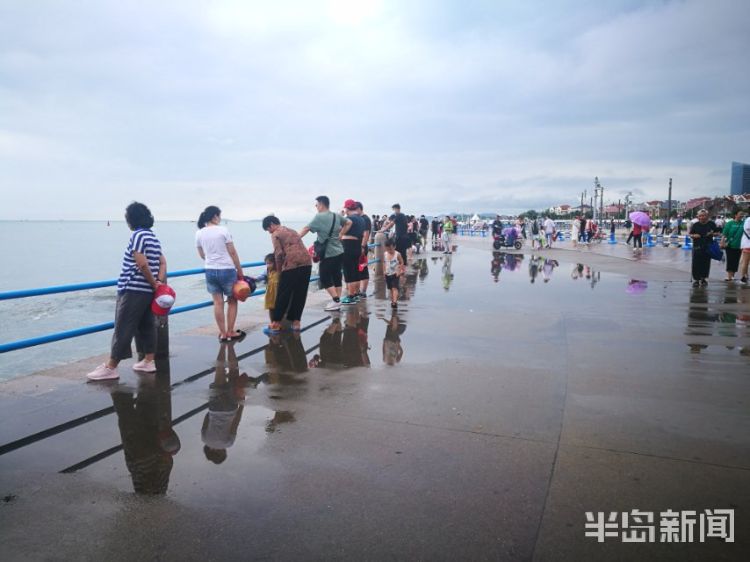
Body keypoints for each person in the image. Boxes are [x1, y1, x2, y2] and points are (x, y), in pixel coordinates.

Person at [87, 202, 166, 381]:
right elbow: (162, 262)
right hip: (147, 292)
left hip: (133, 289)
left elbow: (141, 262)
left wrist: (154, 283)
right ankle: (148, 361)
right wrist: (158, 283)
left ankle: (111, 367)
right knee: (147, 325)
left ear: (131, 219)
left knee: (123, 326)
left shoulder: (138, 235)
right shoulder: (153, 237)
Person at [194, 206, 245, 342]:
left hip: (210, 270)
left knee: (218, 303)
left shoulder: (199, 233)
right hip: (227, 269)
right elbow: (232, 252)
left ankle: (222, 333)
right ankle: (230, 331)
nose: (220, 218)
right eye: (219, 216)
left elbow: (201, 254)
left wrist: (212, 261)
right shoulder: (223, 231)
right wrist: (240, 271)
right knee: (232, 301)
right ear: (215, 216)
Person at [299, 196, 350, 311]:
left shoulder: (319, 216)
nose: (316, 207)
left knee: (324, 277)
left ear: (321, 204)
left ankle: (336, 300)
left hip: (328, 253)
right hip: (339, 251)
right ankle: (337, 302)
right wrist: (341, 234)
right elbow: (349, 222)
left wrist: (294, 239)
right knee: (337, 276)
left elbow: (306, 228)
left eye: (316, 205)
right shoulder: (336, 215)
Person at [263, 215, 313, 332]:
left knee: (283, 294)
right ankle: (296, 323)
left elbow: (278, 254)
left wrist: (279, 272)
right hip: (306, 263)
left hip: (291, 265)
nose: (269, 232)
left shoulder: (276, 234)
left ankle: (275, 323)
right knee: (300, 293)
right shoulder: (292, 231)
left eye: (268, 229)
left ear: (271, 225)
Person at [339, 199, 365, 305]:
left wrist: (340, 215)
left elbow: (339, 228)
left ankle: (350, 296)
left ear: (347, 208)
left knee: (348, 272)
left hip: (348, 246)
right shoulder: (361, 219)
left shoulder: (349, 218)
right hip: (357, 246)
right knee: (355, 271)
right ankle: (355, 295)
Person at [688, 209, 721, 287]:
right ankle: (696, 279)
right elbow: (690, 234)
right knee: (696, 264)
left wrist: (713, 234)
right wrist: (694, 235)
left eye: (704, 215)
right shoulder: (695, 225)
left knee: (706, 264)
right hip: (697, 247)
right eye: (700, 216)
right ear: (698, 217)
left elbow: (718, 233)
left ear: (707, 216)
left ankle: (704, 279)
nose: (702, 217)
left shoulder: (711, 224)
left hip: (708, 247)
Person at [721, 210, 746, 281]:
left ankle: (732, 275)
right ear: (735, 215)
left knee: (736, 261)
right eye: (740, 214)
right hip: (730, 245)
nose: (742, 216)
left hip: (740, 245)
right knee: (730, 260)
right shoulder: (730, 223)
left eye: (743, 214)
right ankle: (729, 276)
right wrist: (722, 242)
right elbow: (724, 234)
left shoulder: (744, 223)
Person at [355, 201, 371, 298]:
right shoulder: (359, 219)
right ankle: (358, 290)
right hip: (357, 246)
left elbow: (366, 234)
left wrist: (362, 246)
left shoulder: (365, 219)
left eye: (355, 209)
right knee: (358, 269)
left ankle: (363, 291)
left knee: (363, 269)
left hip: (362, 247)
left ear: (359, 209)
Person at [383, 238, 404, 308]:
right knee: (390, 288)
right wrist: (384, 271)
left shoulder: (397, 254)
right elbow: (383, 263)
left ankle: (394, 302)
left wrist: (400, 270)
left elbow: (401, 262)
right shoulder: (385, 254)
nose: (389, 251)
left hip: (395, 274)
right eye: (387, 249)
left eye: (391, 249)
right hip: (387, 274)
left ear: (394, 247)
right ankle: (393, 300)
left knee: (395, 288)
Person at [262, 253, 279, 329]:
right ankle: (272, 322)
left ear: (275, 263)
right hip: (270, 294)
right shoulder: (267, 271)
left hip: (277, 293)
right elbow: (261, 276)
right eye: (267, 264)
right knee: (270, 308)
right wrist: (254, 279)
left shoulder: (279, 271)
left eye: (270, 263)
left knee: (277, 309)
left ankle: (277, 323)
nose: (268, 265)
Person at [738, 214, 750, 284]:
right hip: (747, 244)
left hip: (747, 243)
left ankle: (745, 276)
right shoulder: (748, 220)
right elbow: (747, 229)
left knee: (746, 262)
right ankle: (743, 277)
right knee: (745, 261)